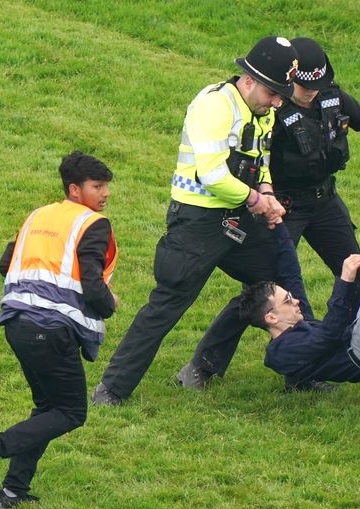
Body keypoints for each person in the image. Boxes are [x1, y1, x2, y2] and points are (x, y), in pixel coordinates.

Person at [92, 36, 295, 405]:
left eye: (283, 95)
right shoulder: (214, 106)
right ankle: (112, 389)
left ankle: (224, 369)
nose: (278, 102)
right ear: (248, 80)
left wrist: (266, 192)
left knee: (273, 288)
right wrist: (257, 201)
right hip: (197, 223)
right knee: (167, 305)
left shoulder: (264, 108)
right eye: (273, 93)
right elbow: (212, 175)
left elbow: (261, 159)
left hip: (238, 217)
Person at [0, 151, 119, 509]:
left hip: (16, 324)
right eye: (98, 186)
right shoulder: (93, 223)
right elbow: (94, 286)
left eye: (106, 186)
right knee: (71, 413)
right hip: (52, 330)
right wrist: (109, 302)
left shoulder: (37, 216)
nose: (105, 194)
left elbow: (6, 264)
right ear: (75, 190)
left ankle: (13, 492)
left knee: (48, 408)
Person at [239, 224, 360, 388]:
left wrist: (279, 225)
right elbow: (328, 335)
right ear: (271, 318)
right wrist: (344, 280)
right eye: (287, 300)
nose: (295, 301)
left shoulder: (295, 324)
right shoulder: (281, 352)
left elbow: (291, 272)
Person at [271, 37, 360, 294]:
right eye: (305, 86)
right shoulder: (272, 108)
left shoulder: (331, 96)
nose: (312, 91)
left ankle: (357, 333)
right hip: (284, 206)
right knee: (271, 286)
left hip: (325, 202)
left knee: (358, 277)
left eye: (317, 84)